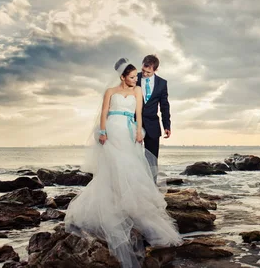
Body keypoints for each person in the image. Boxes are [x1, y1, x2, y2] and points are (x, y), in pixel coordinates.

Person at [65, 58, 182, 267]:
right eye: (135, 74)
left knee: (135, 164)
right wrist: (102, 131)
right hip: (112, 128)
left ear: (154, 69)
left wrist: (142, 130)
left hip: (134, 128)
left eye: (143, 72)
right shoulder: (111, 91)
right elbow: (104, 112)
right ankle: (115, 198)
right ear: (123, 76)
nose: (139, 76)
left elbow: (150, 109)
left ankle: (141, 194)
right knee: (114, 165)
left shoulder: (147, 87)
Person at [137, 55, 171, 159]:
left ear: (156, 70)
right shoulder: (134, 78)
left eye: (148, 72)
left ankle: (151, 176)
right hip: (134, 124)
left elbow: (164, 106)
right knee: (133, 159)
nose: (145, 74)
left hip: (153, 126)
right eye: (143, 70)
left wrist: (167, 126)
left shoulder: (162, 83)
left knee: (152, 160)